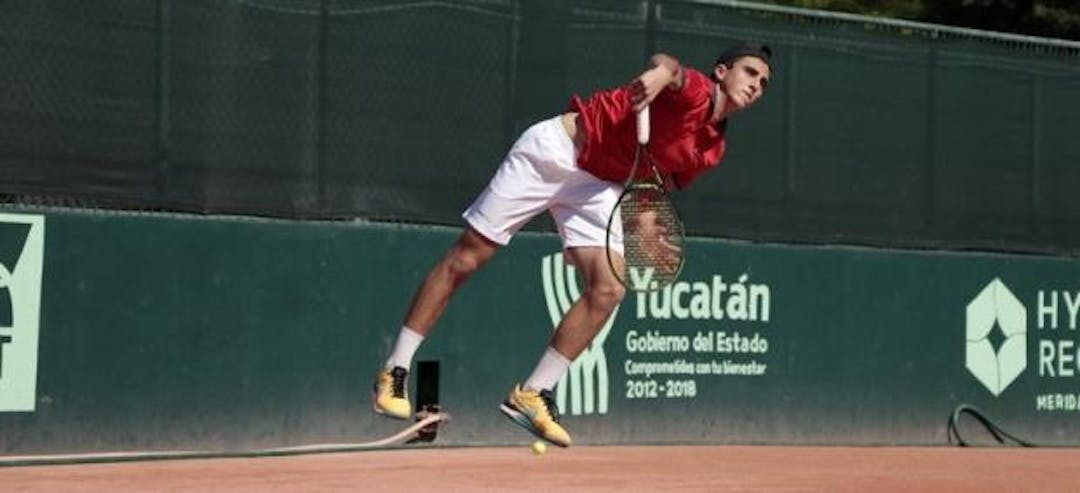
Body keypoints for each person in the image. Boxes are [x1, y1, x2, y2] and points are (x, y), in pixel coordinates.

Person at [373, 42, 773, 448]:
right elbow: (669, 67)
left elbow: (655, 183)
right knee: (468, 258)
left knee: (609, 288)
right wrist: (656, 75)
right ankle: (395, 369)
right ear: (722, 72)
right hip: (554, 152)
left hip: (599, 185)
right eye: (750, 72)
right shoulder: (697, 92)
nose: (756, 85)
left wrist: (648, 223)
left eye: (763, 82)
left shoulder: (712, 149)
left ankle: (533, 394)